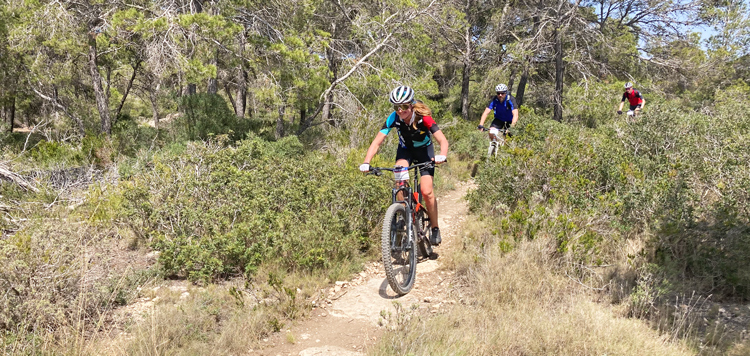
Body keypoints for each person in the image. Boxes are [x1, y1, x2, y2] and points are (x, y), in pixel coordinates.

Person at [359, 86, 449, 246]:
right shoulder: (393, 118)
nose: (400, 110)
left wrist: (442, 155)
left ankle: (435, 227)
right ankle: (403, 212)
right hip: (405, 151)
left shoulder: (423, 117)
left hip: (424, 152)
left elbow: (442, 140)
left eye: (405, 106)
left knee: (427, 192)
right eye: (396, 107)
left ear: (412, 105)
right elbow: (377, 142)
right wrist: (366, 161)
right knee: (399, 179)